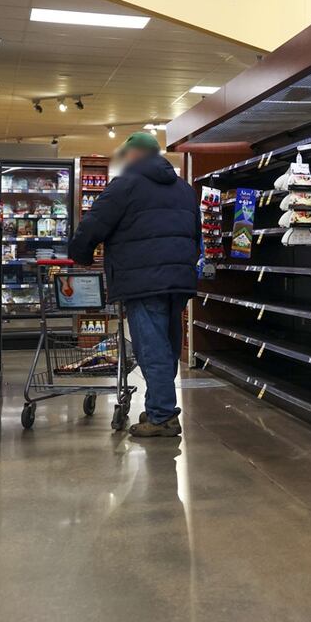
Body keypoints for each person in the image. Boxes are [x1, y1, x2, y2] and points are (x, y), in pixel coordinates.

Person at [68, 132, 200, 438]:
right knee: (167, 347)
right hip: (178, 280)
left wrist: (80, 254)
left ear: (135, 154)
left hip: (143, 279)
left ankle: (162, 416)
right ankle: (159, 407)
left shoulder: (126, 184)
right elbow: (195, 234)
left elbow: (94, 223)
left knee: (150, 347)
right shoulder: (183, 188)